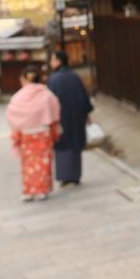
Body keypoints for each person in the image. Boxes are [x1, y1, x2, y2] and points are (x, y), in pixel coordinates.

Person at [6, 65, 61, 202]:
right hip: (43, 133)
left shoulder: (18, 97)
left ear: (23, 79)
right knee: (43, 162)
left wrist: (16, 137)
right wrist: (55, 132)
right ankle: (42, 190)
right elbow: (55, 113)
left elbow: (12, 115)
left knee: (27, 164)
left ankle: (28, 191)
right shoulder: (47, 94)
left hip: (26, 135)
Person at [47, 49, 93, 186]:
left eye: (53, 59)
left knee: (62, 147)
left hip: (61, 119)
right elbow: (84, 97)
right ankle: (75, 175)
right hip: (76, 117)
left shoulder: (53, 79)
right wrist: (86, 114)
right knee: (75, 146)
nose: (51, 62)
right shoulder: (75, 76)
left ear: (58, 61)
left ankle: (65, 177)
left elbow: (49, 101)